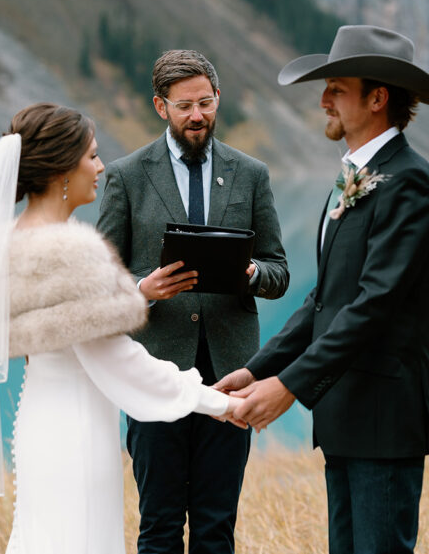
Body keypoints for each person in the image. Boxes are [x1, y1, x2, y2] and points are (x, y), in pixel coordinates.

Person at [0, 103, 242, 554]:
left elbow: (63, 336)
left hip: (38, 420)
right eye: (91, 156)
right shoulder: (71, 251)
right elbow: (115, 359)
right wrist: (216, 402)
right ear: (60, 170)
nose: (100, 167)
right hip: (75, 436)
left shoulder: (6, 240)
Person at [217, 25, 429, 553]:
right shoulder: (357, 175)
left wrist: (290, 386)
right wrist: (259, 369)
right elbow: (324, 299)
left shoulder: (409, 182)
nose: (323, 100)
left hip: (383, 417)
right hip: (346, 415)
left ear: (377, 98)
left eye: (338, 88)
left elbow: (373, 306)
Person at [98, 50, 288, 554]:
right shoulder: (126, 176)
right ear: (161, 107)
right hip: (152, 374)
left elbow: (279, 272)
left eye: (205, 103)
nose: (197, 115)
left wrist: (250, 273)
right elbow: (101, 283)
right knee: (158, 527)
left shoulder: (251, 174)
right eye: (184, 106)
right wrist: (144, 290)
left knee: (215, 526)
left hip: (230, 377)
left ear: (218, 98)